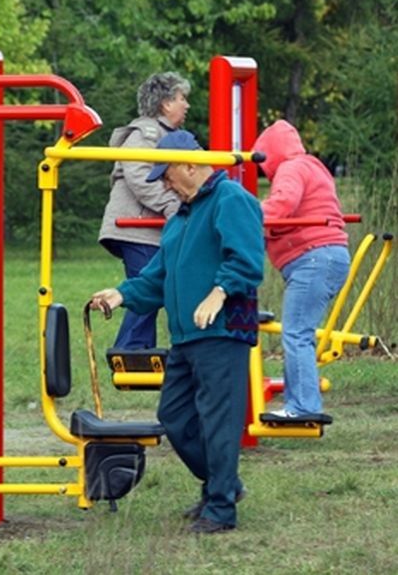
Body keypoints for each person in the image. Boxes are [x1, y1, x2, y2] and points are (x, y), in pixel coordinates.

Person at [90, 130, 264, 534]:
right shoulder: (180, 218)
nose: (164, 184)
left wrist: (219, 293)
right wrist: (121, 294)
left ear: (190, 166)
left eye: (166, 175)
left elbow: (247, 259)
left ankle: (220, 509)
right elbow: (157, 278)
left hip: (222, 331)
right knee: (174, 416)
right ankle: (224, 484)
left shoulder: (231, 200)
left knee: (218, 421)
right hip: (187, 336)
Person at [253, 120, 350, 422]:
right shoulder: (312, 166)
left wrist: (245, 214)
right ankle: (300, 401)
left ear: (270, 153)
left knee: (297, 334)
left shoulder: (291, 168)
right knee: (299, 332)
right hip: (325, 256)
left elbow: (282, 205)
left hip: (313, 258)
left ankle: (304, 406)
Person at [98, 72, 190, 350]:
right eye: (181, 98)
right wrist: (172, 204)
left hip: (148, 228)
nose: (186, 105)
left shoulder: (169, 136)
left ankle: (135, 350)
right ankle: (131, 350)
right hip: (136, 227)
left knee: (152, 285)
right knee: (147, 286)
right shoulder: (146, 133)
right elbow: (138, 175)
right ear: (165, 104)